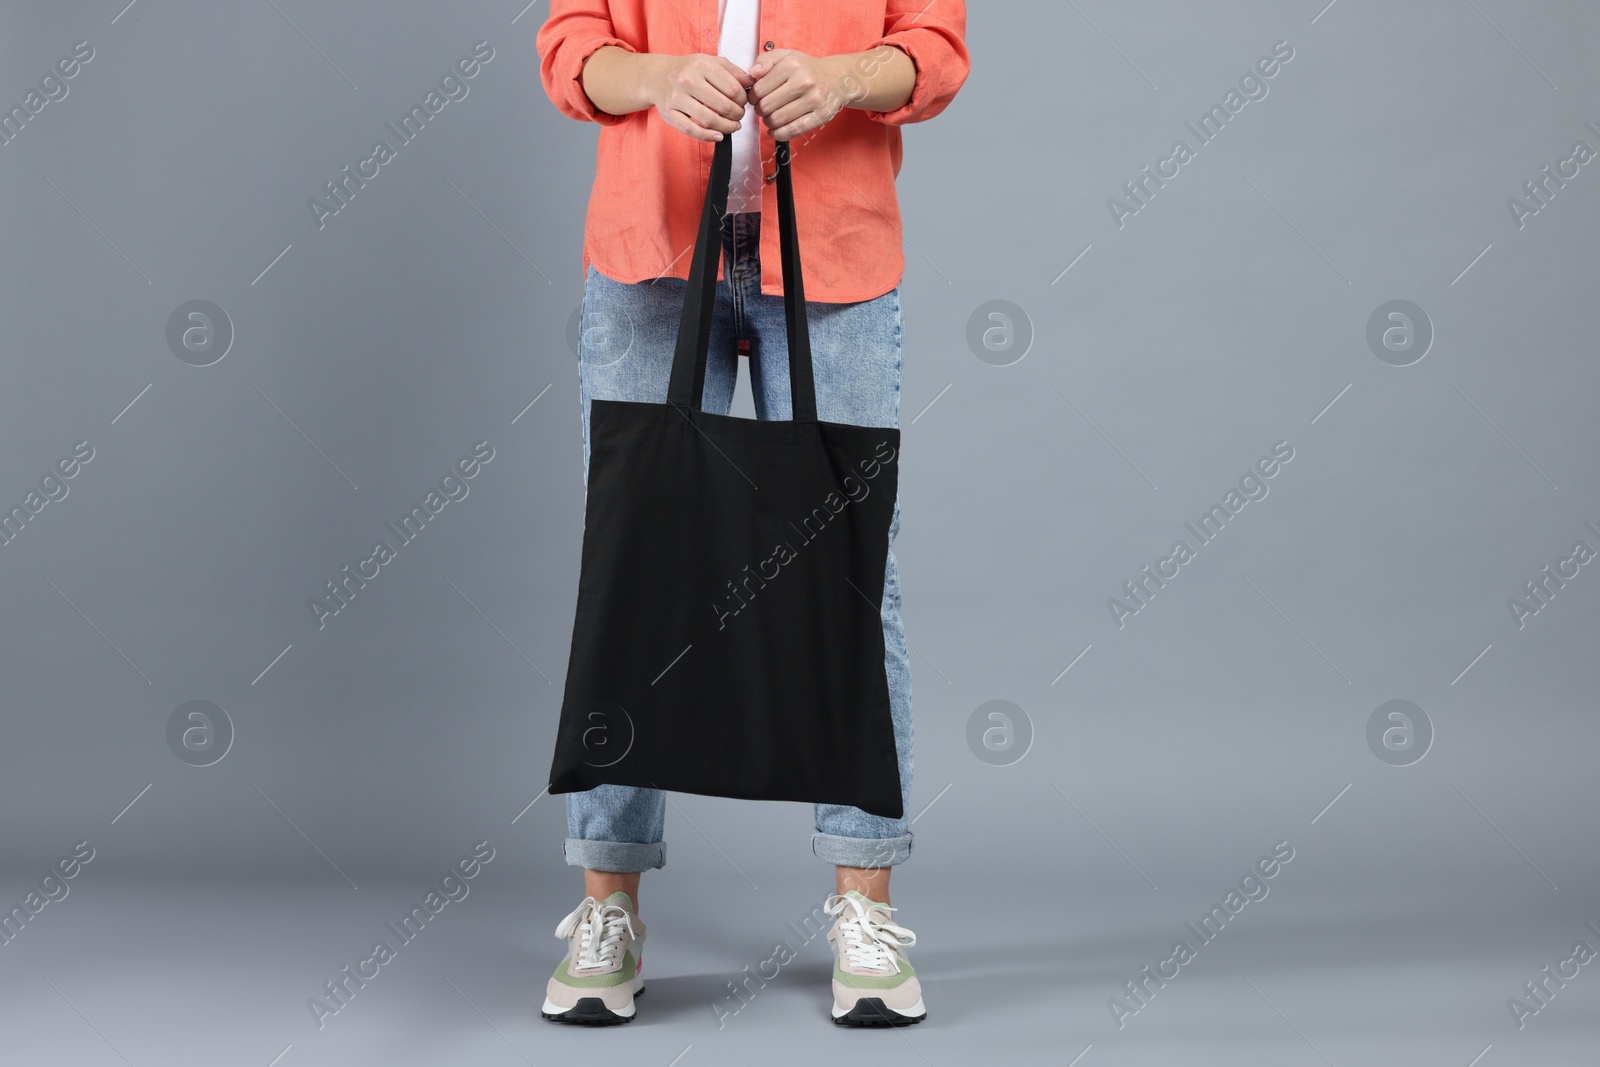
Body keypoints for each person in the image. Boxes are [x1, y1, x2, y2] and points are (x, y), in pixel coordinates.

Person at [534, 0, 969, 1028]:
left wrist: (842, 79)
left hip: (835, 258)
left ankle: (864, 910)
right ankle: (608, 910)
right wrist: (657, 79)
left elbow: (935, 55)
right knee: (633, 566)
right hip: (648, 258)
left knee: (854, 574)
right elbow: (570, 51)